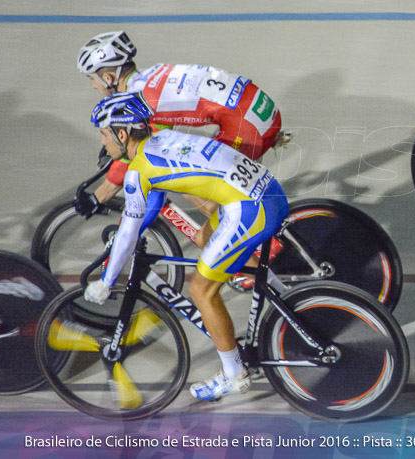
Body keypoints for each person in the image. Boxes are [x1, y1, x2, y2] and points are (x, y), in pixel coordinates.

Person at [82, 92, 289, 401]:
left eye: (103, 134)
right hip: (268, 191)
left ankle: (234, 374)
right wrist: (133, 227)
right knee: (206, 239)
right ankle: (287, 300)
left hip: (249, 209)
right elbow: (149, 206)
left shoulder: (138, 171)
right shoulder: (163, 137)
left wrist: (106, 282)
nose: (103, 143)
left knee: (200, 291)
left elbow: (128, 231)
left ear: (121, 133)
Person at [75, 31, 289, 255]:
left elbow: (142, 152)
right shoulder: (147, 78)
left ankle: (258, 247)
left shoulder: (140, 100)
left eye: (92, 79)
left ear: (108, 77)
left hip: (247, 124)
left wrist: (99, 196)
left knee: (191, 183)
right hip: (256, 110)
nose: (93, 86)